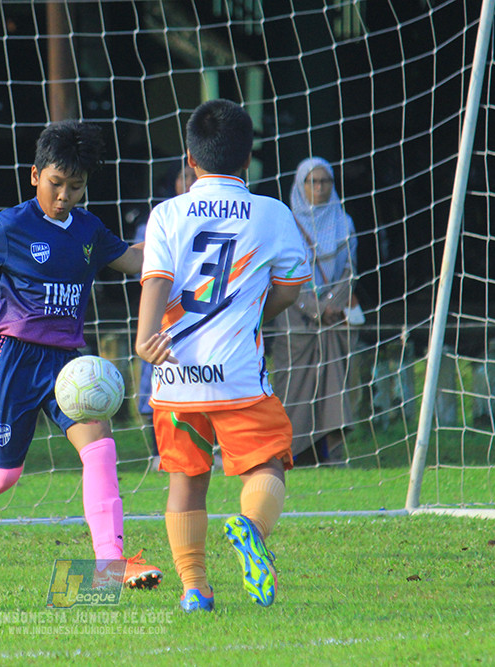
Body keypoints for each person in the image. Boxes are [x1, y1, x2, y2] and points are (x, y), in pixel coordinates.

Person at [0, 119, 162, 589]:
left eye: (76, 186)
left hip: (69, 365)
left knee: (101, 450)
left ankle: (112, 560)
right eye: (56, 183)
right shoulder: (13, 225)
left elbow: (138, 261)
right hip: (12, 360)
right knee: (3, 475)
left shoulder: (89, 230)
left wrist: (179, 240)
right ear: (35, 175)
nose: (65, 195)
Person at [134, 99, 310, 612]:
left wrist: (147, 337)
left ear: (191, 159)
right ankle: (251, 527)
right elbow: (290, 289)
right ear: (248, 160)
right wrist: (253, 311)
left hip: (175, 378)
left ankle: (195, 589)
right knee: (268, 464)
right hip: (237, 376)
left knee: (185, 480)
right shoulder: (272, 213)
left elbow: (158, 278)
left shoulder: (167, 213)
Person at [269, 156, 360, 466]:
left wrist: (333, 304)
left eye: (325, 182)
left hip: (333, 322)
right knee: (294, 386)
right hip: (296, 322)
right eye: (312, 182)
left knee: (333, 383)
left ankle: (331, 451)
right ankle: (295, 451)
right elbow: (282, 273)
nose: (319, 188)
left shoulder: (343, 222)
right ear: (300, 185)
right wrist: (315, 307)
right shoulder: (286, 223)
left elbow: (349, 270)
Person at [134, 164, 196, 468]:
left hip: (201, 317)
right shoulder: (160, 219)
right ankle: (159, 453)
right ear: (174, 183)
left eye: (193, 177)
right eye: (183, 176)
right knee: (154, 385)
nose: (189, 182)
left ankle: (214, 450)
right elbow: (142, 272)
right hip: (164, 320)